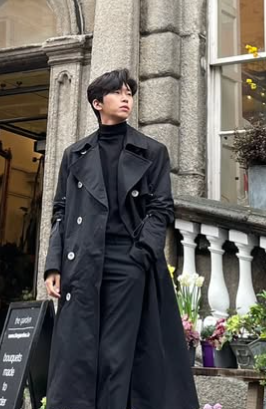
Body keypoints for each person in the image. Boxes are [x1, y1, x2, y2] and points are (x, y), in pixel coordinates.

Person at [44, 68, 199, 409]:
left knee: (118, 353)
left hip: (127, 260)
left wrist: (141, 254)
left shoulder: (152, 151)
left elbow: (161, 208)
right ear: (98, 103)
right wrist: (54, 265)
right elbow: (61, 211)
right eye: (118, 92)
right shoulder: (74, 154)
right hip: (83, 261)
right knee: (81, 352)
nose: (126, 98)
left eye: (129, 92)